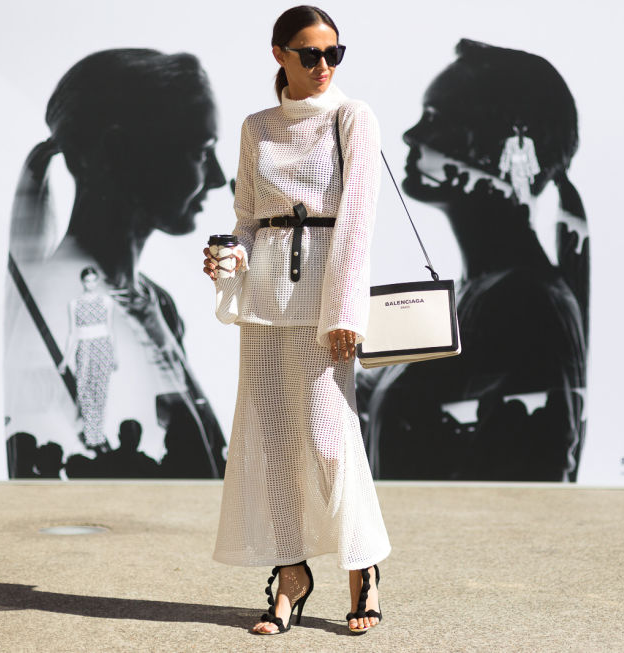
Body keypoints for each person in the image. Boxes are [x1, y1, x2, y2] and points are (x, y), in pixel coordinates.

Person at [203, 6, 389, 636]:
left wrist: (345, 312)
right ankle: (291, 575)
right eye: (310, 54)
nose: (323, 67)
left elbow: (359, 219)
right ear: (279, 54)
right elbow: (250, 218)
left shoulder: (351, 117)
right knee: (270, 437)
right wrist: (229, 260)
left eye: (333, 54)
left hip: (323, 299)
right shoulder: (257, 126)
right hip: (265, 297)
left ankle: (360, 568)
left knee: (330, 436)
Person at [363, 38, 588, 482]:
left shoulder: (525, 303)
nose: (412, 136)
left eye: (435, 120)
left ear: (508, 146)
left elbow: (534, 471)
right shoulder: (486, 291)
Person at [4, 49, 227, 477]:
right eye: (201, 151)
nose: (217, 177)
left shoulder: (154, 301)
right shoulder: (70, 307)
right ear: (119, 151)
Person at [58, 267, 116, 452]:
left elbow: (110, 329)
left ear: (97, 281)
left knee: (100, 391)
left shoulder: (106, 301)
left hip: (103, 346)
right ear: (82, 282)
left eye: (93, 280)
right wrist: (65, 360)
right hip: (84, 348)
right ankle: (92, 434)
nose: (90, 284)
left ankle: (95, 435)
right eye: (87, 281)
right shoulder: (74, 303)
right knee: (83, 389)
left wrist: (115, 355)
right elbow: (72, 332)